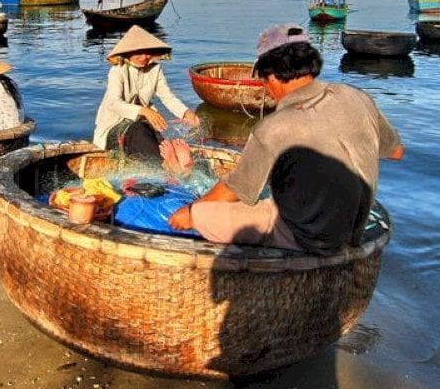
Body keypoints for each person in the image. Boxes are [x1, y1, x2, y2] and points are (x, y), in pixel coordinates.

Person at [167, 24, 404, 255]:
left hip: (308, 238)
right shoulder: (356, 96)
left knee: (201, 216)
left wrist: (191, 211)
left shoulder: (274, 127)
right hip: (354, 227)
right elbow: (396, 152)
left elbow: (236, 189)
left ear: (271, 76)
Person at [93, 25, 200, 161]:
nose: (144, 57)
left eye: (148, 52)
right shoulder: (118, 70)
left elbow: (168, 97)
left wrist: (185, 112)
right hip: (113, 129)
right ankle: (168, 167)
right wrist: (145, 111)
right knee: (139, 130)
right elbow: (114, 103)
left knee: (157, 137)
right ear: (128, 53)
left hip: (141, 126)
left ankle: (172, 165)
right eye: (139, 53)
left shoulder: (155, 69)